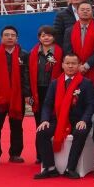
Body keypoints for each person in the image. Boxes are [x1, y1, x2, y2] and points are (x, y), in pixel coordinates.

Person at [34, 53, 94, 179]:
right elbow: (47, 104)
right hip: (58, 119)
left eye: (74, 63)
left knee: (80, 132)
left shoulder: (86, 83)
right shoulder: (55, 83)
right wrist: (45, 119)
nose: (70, 66)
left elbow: (90, 105)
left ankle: (70, 168)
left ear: (79, 65)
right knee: (42, 132)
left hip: (78, 120)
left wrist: (84, 120)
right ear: (62, 65)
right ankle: (50, 167)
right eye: (67, 63)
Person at [0, 26, 28, 164]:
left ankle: (15, 154)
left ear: (17, 38)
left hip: (17, 96)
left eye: (13, 35)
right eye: (6, 35)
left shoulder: (23, 55)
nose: (10, 37)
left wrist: (25, 92)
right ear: (1, 38)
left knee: (17, 126)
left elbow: (27, 75)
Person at [26, 26, 61, 161]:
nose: (46, 38)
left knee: (54, 121)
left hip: (55, 91)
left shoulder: (60, 53)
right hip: (37, 92)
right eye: (43, 35)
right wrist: (28, 93)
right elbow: (27, 74)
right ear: (39, 38)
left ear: (54, 37)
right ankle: (40, 155)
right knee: (39, 122)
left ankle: (55, 153)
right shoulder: (33, 53)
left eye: (49, 35)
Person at [64, 1, 94, 87]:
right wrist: (77, 65)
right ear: (77, 12)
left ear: (92, 12)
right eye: (82, 9)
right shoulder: (69, 31)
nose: (85, 11)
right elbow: (67, 50)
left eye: (88, 10)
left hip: (93, 68)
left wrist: (86, 65)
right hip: (74, 68)